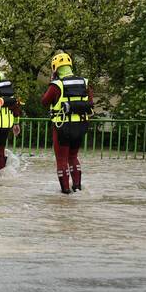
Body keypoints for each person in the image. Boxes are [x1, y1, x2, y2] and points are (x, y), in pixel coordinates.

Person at [42, 52, 94, 194]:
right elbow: (91, 103)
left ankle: (65, 192)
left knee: (62, 160)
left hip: (62, 127)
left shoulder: (56, 85)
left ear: (55, 68)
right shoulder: (84, 83)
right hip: (81, 127)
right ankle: (77, 188)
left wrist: (52, 81)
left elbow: (45, 101)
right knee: (73, 157)